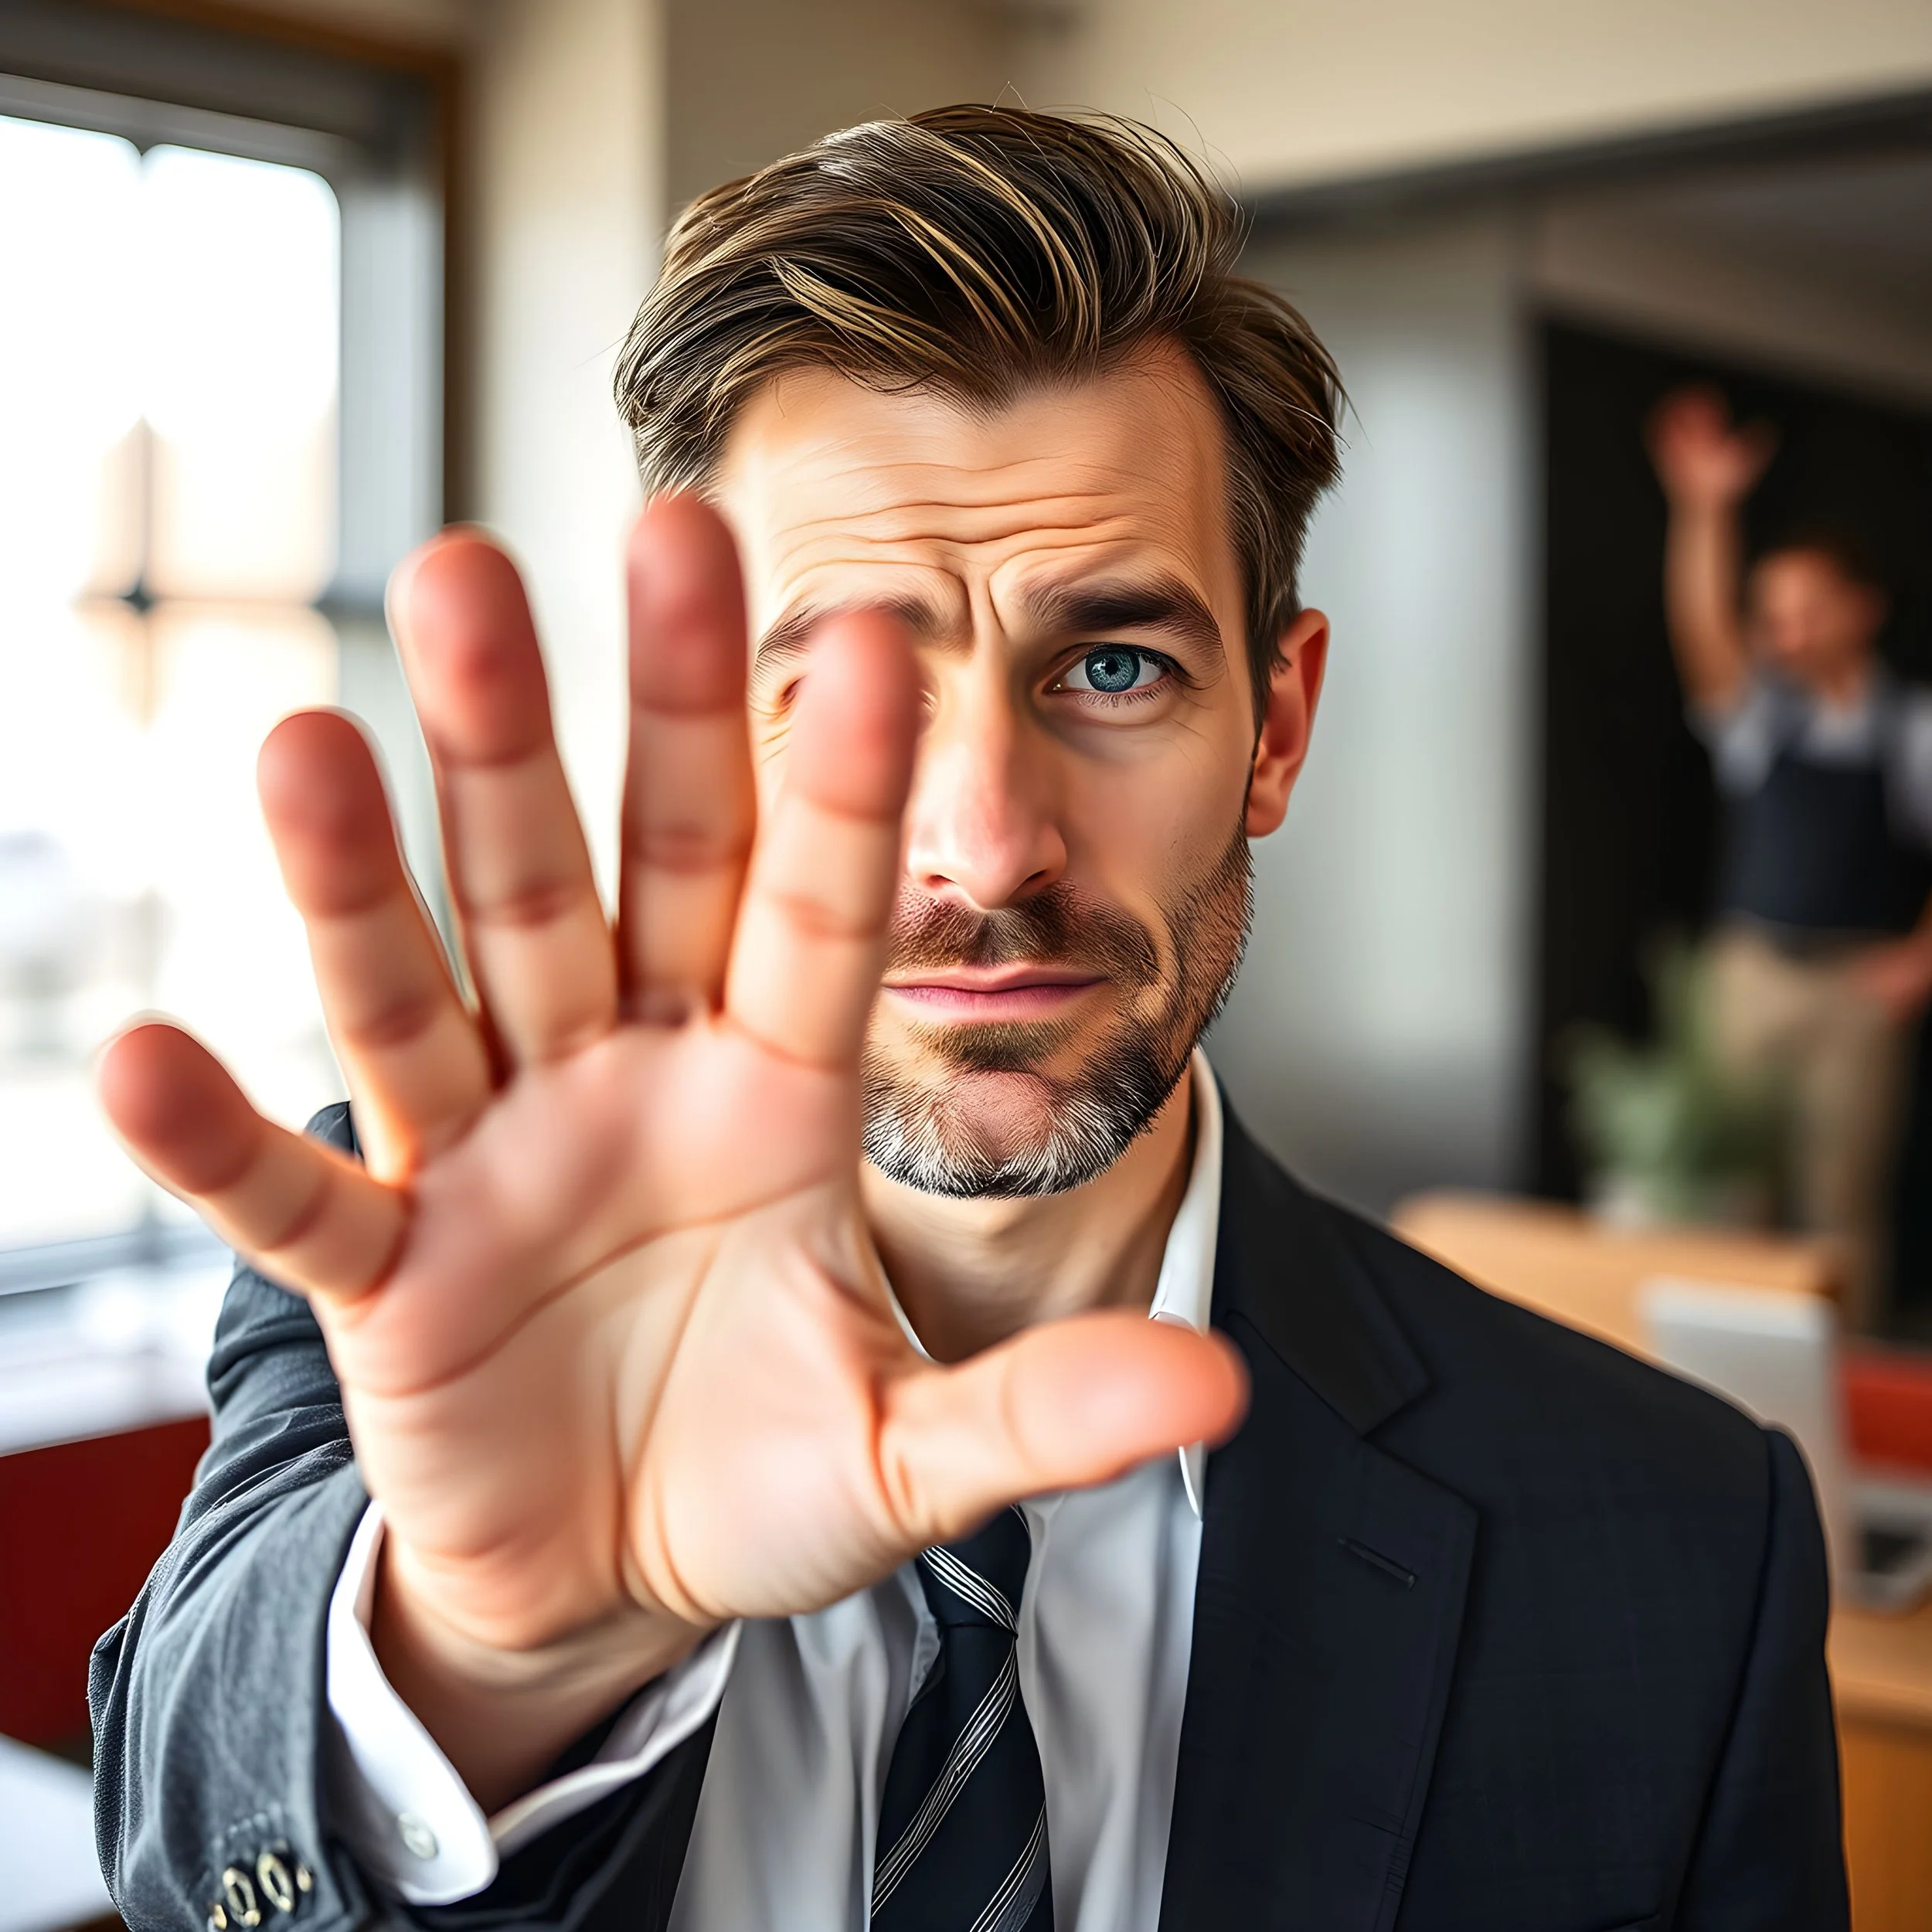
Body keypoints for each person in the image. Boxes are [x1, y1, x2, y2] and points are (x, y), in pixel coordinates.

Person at [94, 111, 1843, 1932]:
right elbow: (183, 1833)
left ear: (1277, 726)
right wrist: (483, 1658)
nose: (987, 844)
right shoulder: (423, 1253)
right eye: (852, 686)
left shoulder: (1681, 1549)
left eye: (1112, 666)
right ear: (701, 717)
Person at [1649, 386, 1932, 1325]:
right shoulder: (1762, 715)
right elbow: (1703, 634)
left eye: (1807, 609)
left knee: (1840, 1206)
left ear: (1862, 612)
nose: (1784, 631)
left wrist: (1917, 962)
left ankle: (1840, 1402)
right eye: (1770, 612)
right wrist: (1703, 508)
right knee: (1724, 1198)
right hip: (1751, 973)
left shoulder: (1907, 729)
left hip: (1856, 988)